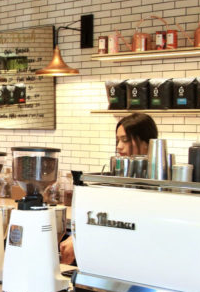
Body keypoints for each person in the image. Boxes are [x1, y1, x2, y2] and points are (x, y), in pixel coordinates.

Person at [59, 113, 158, 264]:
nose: (119, 146)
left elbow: (128, 225)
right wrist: (79, 236)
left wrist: (82, 240)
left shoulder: (157, 179)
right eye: (118, 140)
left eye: (125, 140)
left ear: (147, 142)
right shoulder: (120, 176)